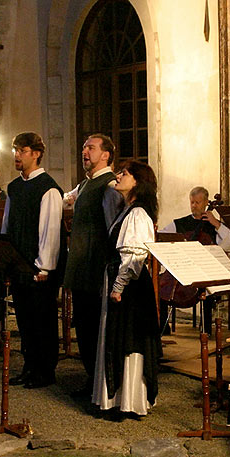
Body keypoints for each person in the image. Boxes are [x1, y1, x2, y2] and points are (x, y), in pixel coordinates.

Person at [92, 160, 161, 417]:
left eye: (124, 173)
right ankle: (116, 399)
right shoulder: (127, 210)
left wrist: (118, 286)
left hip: (129, 286)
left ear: (137, 181)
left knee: (127, 339)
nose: (118, 176)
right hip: (120, 281)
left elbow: (134, 255)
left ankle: (129, 401)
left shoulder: (138, 214)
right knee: (116, 337)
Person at [2, 132, 64, 389]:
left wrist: (44, 267)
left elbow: (49, 230)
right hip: (18, 264)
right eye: (15, 150)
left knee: (43, 320)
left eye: (22, 150)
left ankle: (45, 371)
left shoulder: (48, 188)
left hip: (39, 268)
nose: (16, 155)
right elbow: (8, 224)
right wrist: (5, 257)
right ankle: (29, 367)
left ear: (36, 154)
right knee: (25, 320)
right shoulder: (14, 187)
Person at [63, 133, 123, 397]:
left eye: (91, 148)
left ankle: (100, 382)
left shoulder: (109, 187)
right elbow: (66, 200)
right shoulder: (86, 185)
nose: (85, 152)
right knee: (85, 328)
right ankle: (91, 377)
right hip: (81, 268)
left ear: (106, 155)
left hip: (96, 268)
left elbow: (113, 230)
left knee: (96, 328)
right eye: (84, 147)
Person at [159, 186, 230, 335]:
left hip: (204, 271)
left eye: (198, 202)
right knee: (159, 286)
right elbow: (162, 236)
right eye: (192, 202)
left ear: (207, 202)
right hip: (182, 270)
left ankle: (206, 329)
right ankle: (163, 327)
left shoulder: (214, 224)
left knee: (206, 290)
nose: (194, 205)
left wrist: (216, 224)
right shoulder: (180, 223)